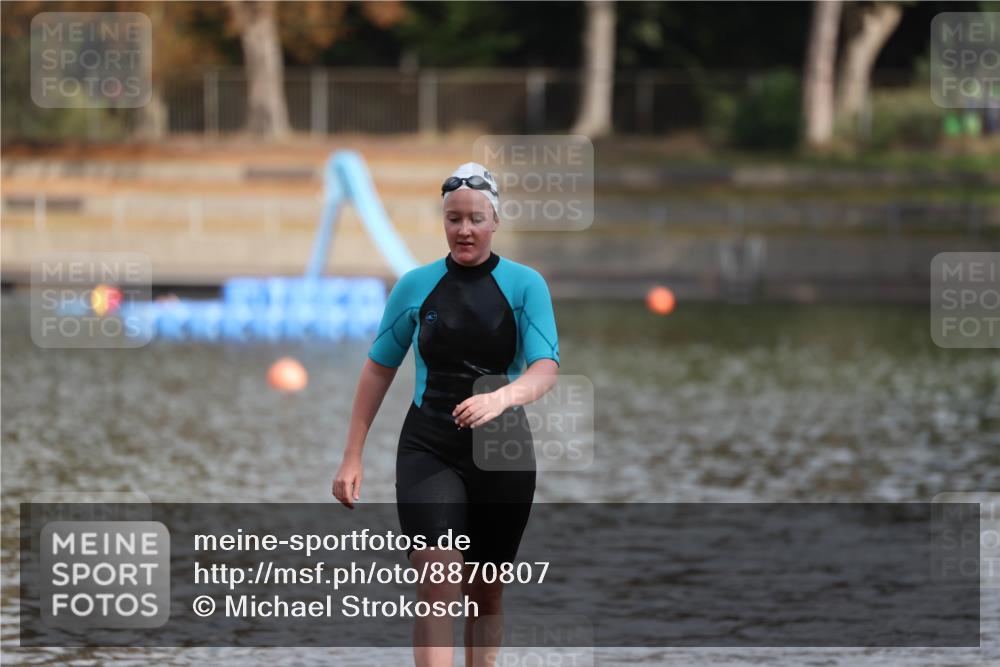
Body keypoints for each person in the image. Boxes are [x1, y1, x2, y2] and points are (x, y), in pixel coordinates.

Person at [332, 162, 560, 667]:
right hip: (429, 449)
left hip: (503, 455)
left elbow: (545, 369)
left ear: (495, 221)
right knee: (437, 583)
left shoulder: (526, 286)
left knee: (486, 593)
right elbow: (377, 370)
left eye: (476, 218)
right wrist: (352, 456)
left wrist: (501, 398)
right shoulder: (416, 286)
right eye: (454, 219)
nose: (464, 230)